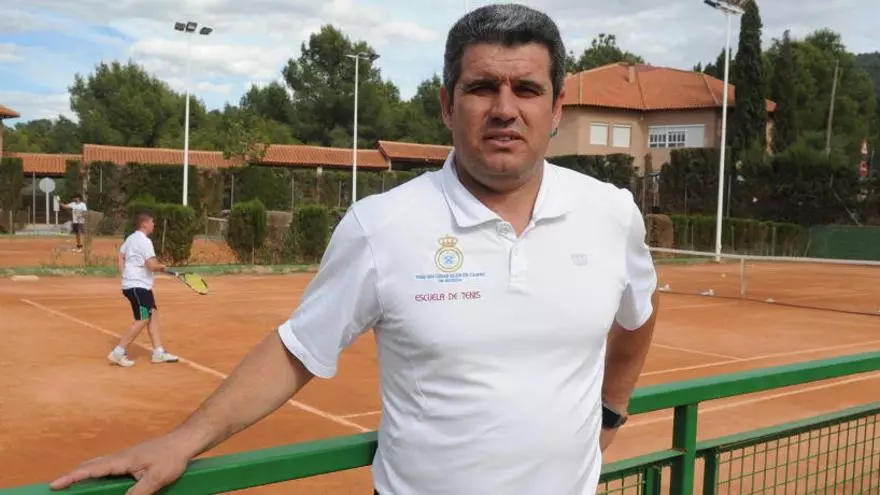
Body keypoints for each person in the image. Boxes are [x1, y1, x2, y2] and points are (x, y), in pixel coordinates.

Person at [50, 4, 658, 494]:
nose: (504, 109)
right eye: (481, 88)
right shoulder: (382, 225)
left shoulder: (611, 213)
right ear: (447, 105)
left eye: (526, 88)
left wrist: (611, 408)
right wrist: (183, 440)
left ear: (556, 108)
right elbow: (297, 348)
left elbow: (639, 314)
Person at [107, 210, 179, 368]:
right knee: (143, 318)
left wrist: (124, 274)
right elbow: (152, 266)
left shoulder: (131, 238)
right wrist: (162, 267)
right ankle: (118, 352)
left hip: (138, 286)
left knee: (152, 314)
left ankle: (158, 352)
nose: (154, 225)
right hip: (138, 288)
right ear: (145, 224)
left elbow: (121, 255)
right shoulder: (145, 242)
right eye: (152, 222)